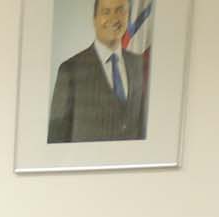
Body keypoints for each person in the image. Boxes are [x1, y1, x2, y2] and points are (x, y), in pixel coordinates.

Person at [47, 0, 149, 144]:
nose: (114, 18)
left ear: (128, 16)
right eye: (106, 12)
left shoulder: (139, 64)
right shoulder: (70, 70)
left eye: (120, 10)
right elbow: (56, 137)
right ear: (94, 19)